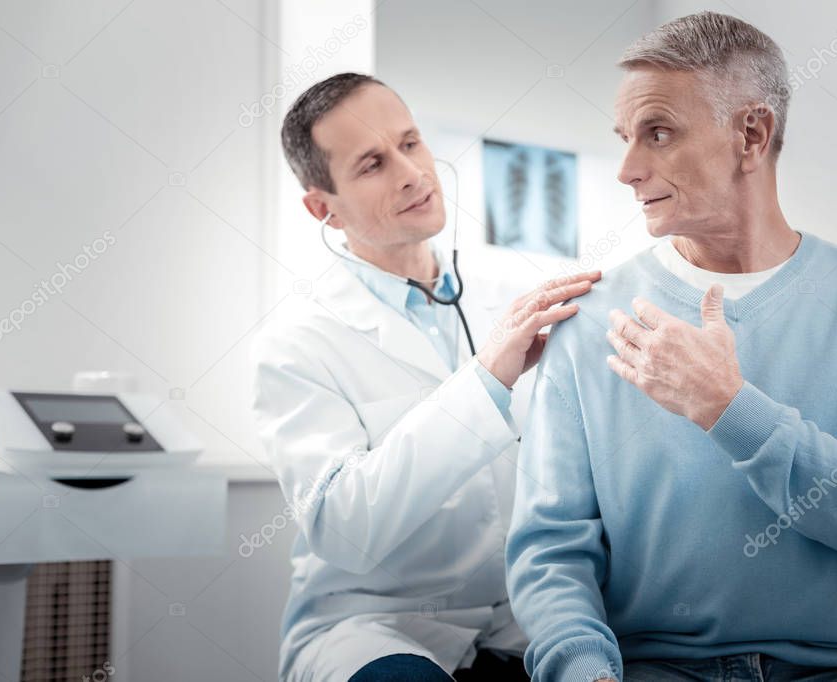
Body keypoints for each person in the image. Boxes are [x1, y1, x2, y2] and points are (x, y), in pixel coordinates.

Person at [505, 12, 837, 682]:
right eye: (624, 138)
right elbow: (551, 553)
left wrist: (729, 408)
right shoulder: (590, 317)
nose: (627, 169)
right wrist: (581, 667)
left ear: (750, 134)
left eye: (657, 133)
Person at [250, 72, 599, 682]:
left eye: (410, 143)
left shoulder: (507, 301)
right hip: (376, 626)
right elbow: (344, 528)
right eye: (372, 164)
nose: (412, 173)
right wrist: (486, 379)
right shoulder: (298, 342)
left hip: (523, 618)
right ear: (322, 207)